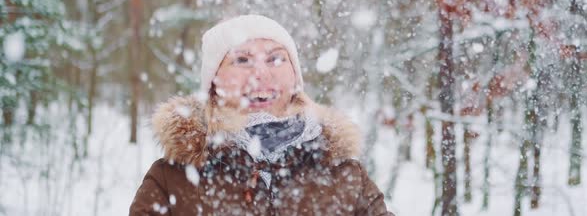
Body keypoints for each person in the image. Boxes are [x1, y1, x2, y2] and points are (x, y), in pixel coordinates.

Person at [130, 14, 394, 215]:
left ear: (294, 77)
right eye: (242, 60)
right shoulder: (172, 179)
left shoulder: (345, 175)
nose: (261, 74)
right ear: (213, 82)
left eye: (275, 59)